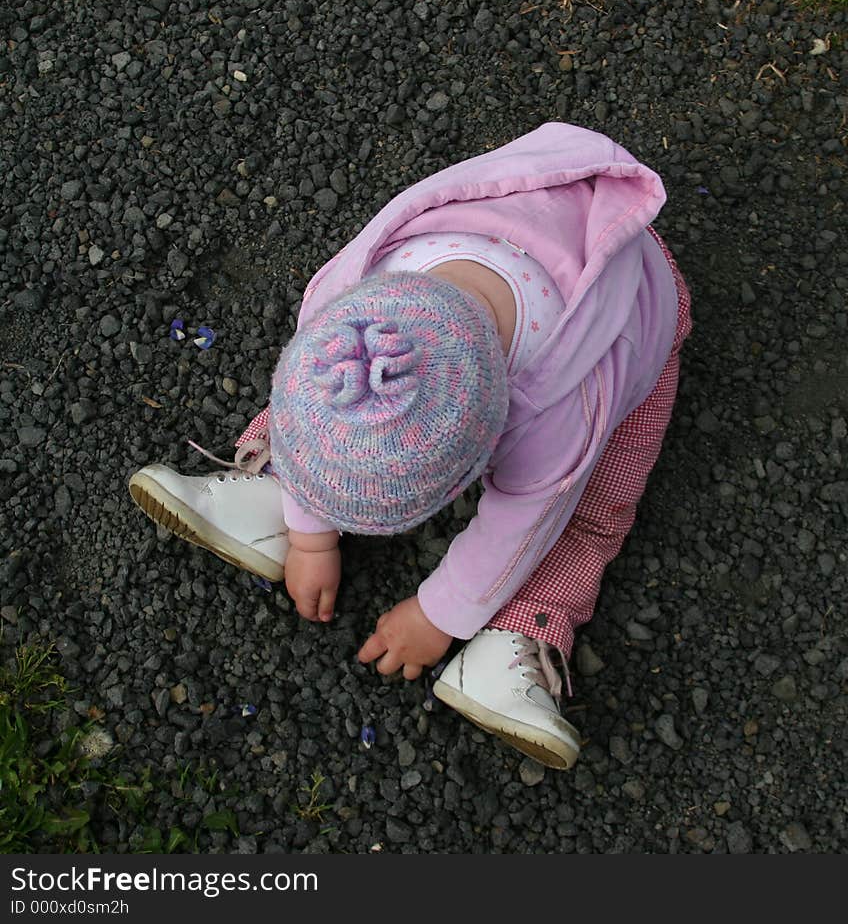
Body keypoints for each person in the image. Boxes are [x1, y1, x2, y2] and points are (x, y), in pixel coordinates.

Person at [129, 122, 692, 770]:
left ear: (483, 456)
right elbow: (316, 393)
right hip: (521, 231)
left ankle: (529, 621)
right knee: (346, 402)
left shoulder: (565, 411)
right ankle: (283, 481)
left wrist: (441, 613)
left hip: (639, 303)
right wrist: (312, 535)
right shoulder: (348, 292)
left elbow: (520, 519)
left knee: (593, 504)